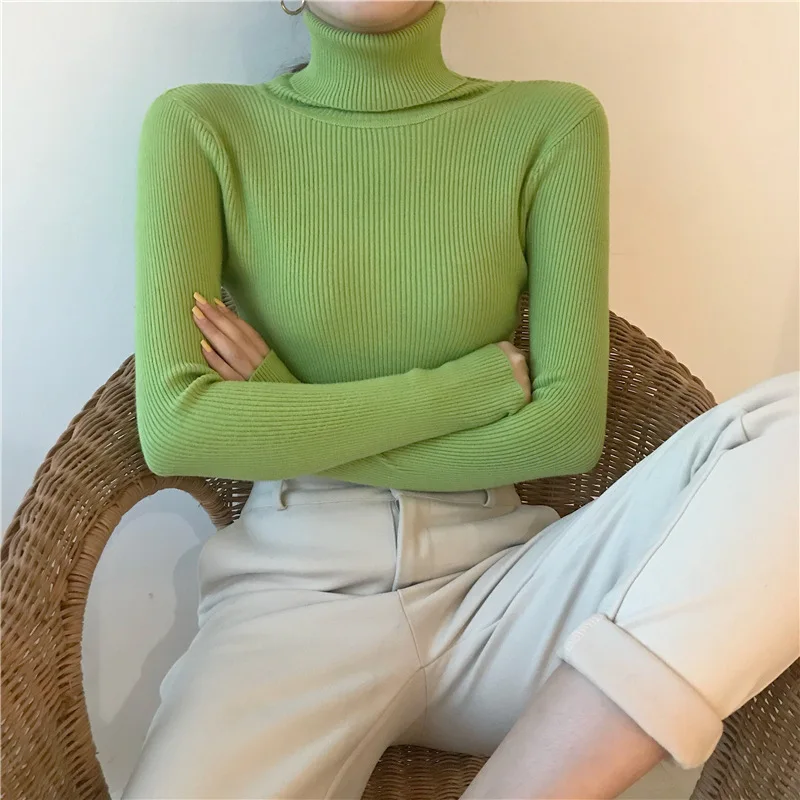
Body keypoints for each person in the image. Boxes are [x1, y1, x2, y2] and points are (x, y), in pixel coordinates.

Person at [123, 1, 799, 797]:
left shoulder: (550, 122)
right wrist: (466, 389)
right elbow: (179, 429)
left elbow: (564, 434)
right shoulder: (200, 127)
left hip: (504, 589)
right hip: (291, 600)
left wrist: (283, 411)